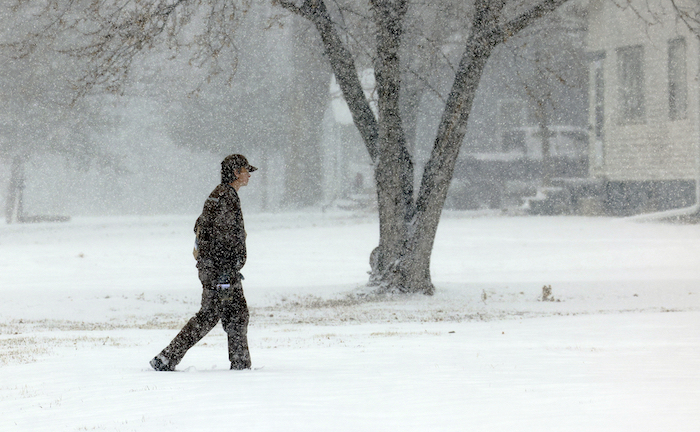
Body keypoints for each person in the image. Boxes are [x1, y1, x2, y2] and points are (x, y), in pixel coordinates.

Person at [150, 154, 257, 371]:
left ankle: (240, 364)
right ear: (236, 173)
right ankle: (168, 358)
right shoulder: (225, 198)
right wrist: (225, 272)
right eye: (246, 170)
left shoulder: (220, 196)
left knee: (232, 314)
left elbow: (203, 230)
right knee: (215, 315)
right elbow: (223, 237)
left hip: (216, 269)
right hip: (221, 271)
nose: (248, 175)